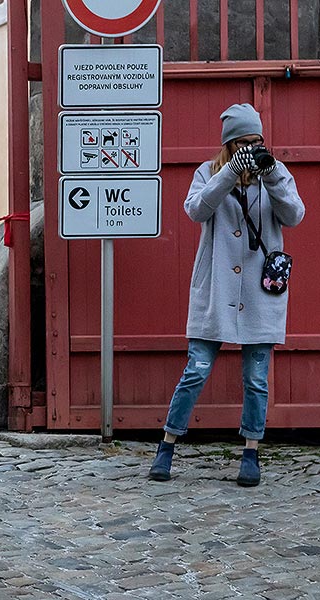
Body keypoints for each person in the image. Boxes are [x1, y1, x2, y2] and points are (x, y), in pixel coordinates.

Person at [148, 103, 304, 487]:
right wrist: (230, 173)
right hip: (215, 290)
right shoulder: (208, 172)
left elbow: (294, 215)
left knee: (256, 378)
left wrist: (270, 177)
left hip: (259, 293)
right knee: (196, 370)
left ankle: (251, 452)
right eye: (245, 143)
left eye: (258, 141)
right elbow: (196, 211)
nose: (252, 149)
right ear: (230, 145)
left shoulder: (276, 173)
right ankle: (167, 445)